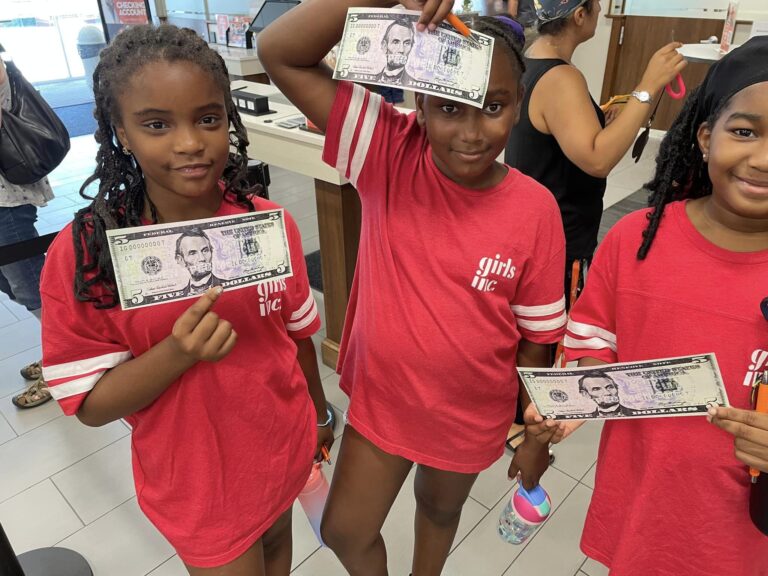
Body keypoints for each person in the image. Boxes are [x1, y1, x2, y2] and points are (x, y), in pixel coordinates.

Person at [259, 3, 567, 574]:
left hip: (471, 414)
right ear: (419, 105)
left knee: (438, 511)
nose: (473, 133)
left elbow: (536, 342)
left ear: (518, 103)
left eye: (493, 107)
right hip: (385, 402)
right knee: (345, 531)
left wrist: (535, 435)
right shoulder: (389, 151)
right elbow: (280, 52)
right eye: (450, 108)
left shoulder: (536, 209)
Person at [39, 25, 333, 576]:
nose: (190, 143)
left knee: (278, 558)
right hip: (200, 484)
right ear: (121, 132)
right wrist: (178, 352)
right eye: (156, 124)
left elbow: (295, 341)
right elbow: (90, 405)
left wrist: (318, 413)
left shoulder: (266, 224)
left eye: (208, 118)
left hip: (279, 448)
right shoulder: (87, 254)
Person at [550, 36, 768, 575]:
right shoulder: (635, 241)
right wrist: (578, 393)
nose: (763, 160)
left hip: (744, 540)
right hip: (645, 512)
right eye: (744, 132)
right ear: (703, 135)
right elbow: (594, 338)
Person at [505, 0, 686, 302]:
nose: (601, 9)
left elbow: (552, 129)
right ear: (579, 15)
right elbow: (597, 159)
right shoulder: (561, 77)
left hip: (534, 227)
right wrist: (649, 85)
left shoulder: (531, 59)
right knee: (550, 335)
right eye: (596, 5)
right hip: (559, 239)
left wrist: (598, 116)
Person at [0, 54, 59, 409]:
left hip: (7, 198)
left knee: (28, 284)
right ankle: (58, 352)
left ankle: (62, 363)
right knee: (14, 283)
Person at [175, 228, 224, 296]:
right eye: (192, 253)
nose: (202, 258)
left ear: (211, 252)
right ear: (181, 260)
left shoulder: (228, 286)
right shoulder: (180, 295)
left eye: (205, 251)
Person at [374, 17, 415, 86]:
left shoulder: (413, 84)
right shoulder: (373, 80)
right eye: (395, 42)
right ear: (384, 46)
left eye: (407, 43)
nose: (401, 50)